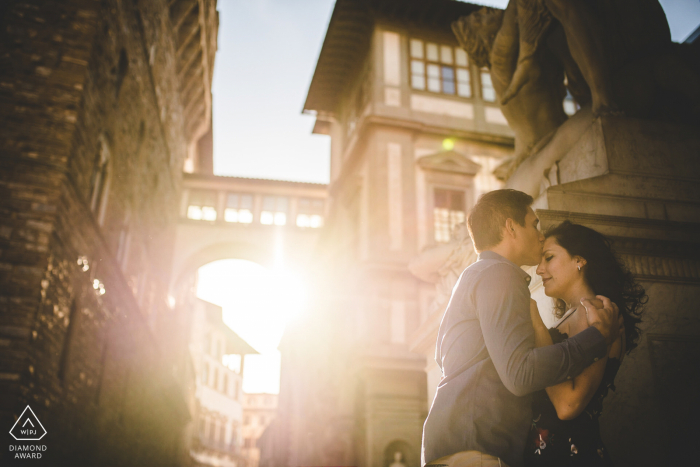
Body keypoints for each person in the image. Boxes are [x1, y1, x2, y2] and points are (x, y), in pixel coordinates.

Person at [421, 189, 622, 467]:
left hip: (459, 447)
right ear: (511, 227)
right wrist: (596, 338)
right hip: (476, 450)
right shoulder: (498, 275)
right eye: (534, 223)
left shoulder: (475, 276)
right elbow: (520, 373)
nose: (540, 235)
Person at [525, 221, 645, 466]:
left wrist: (536, 325)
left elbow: (568, 405)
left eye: (548, 258)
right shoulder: (575, 315)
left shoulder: (595, 312)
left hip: (571, 456)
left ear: (579, 260)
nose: (539, 269)